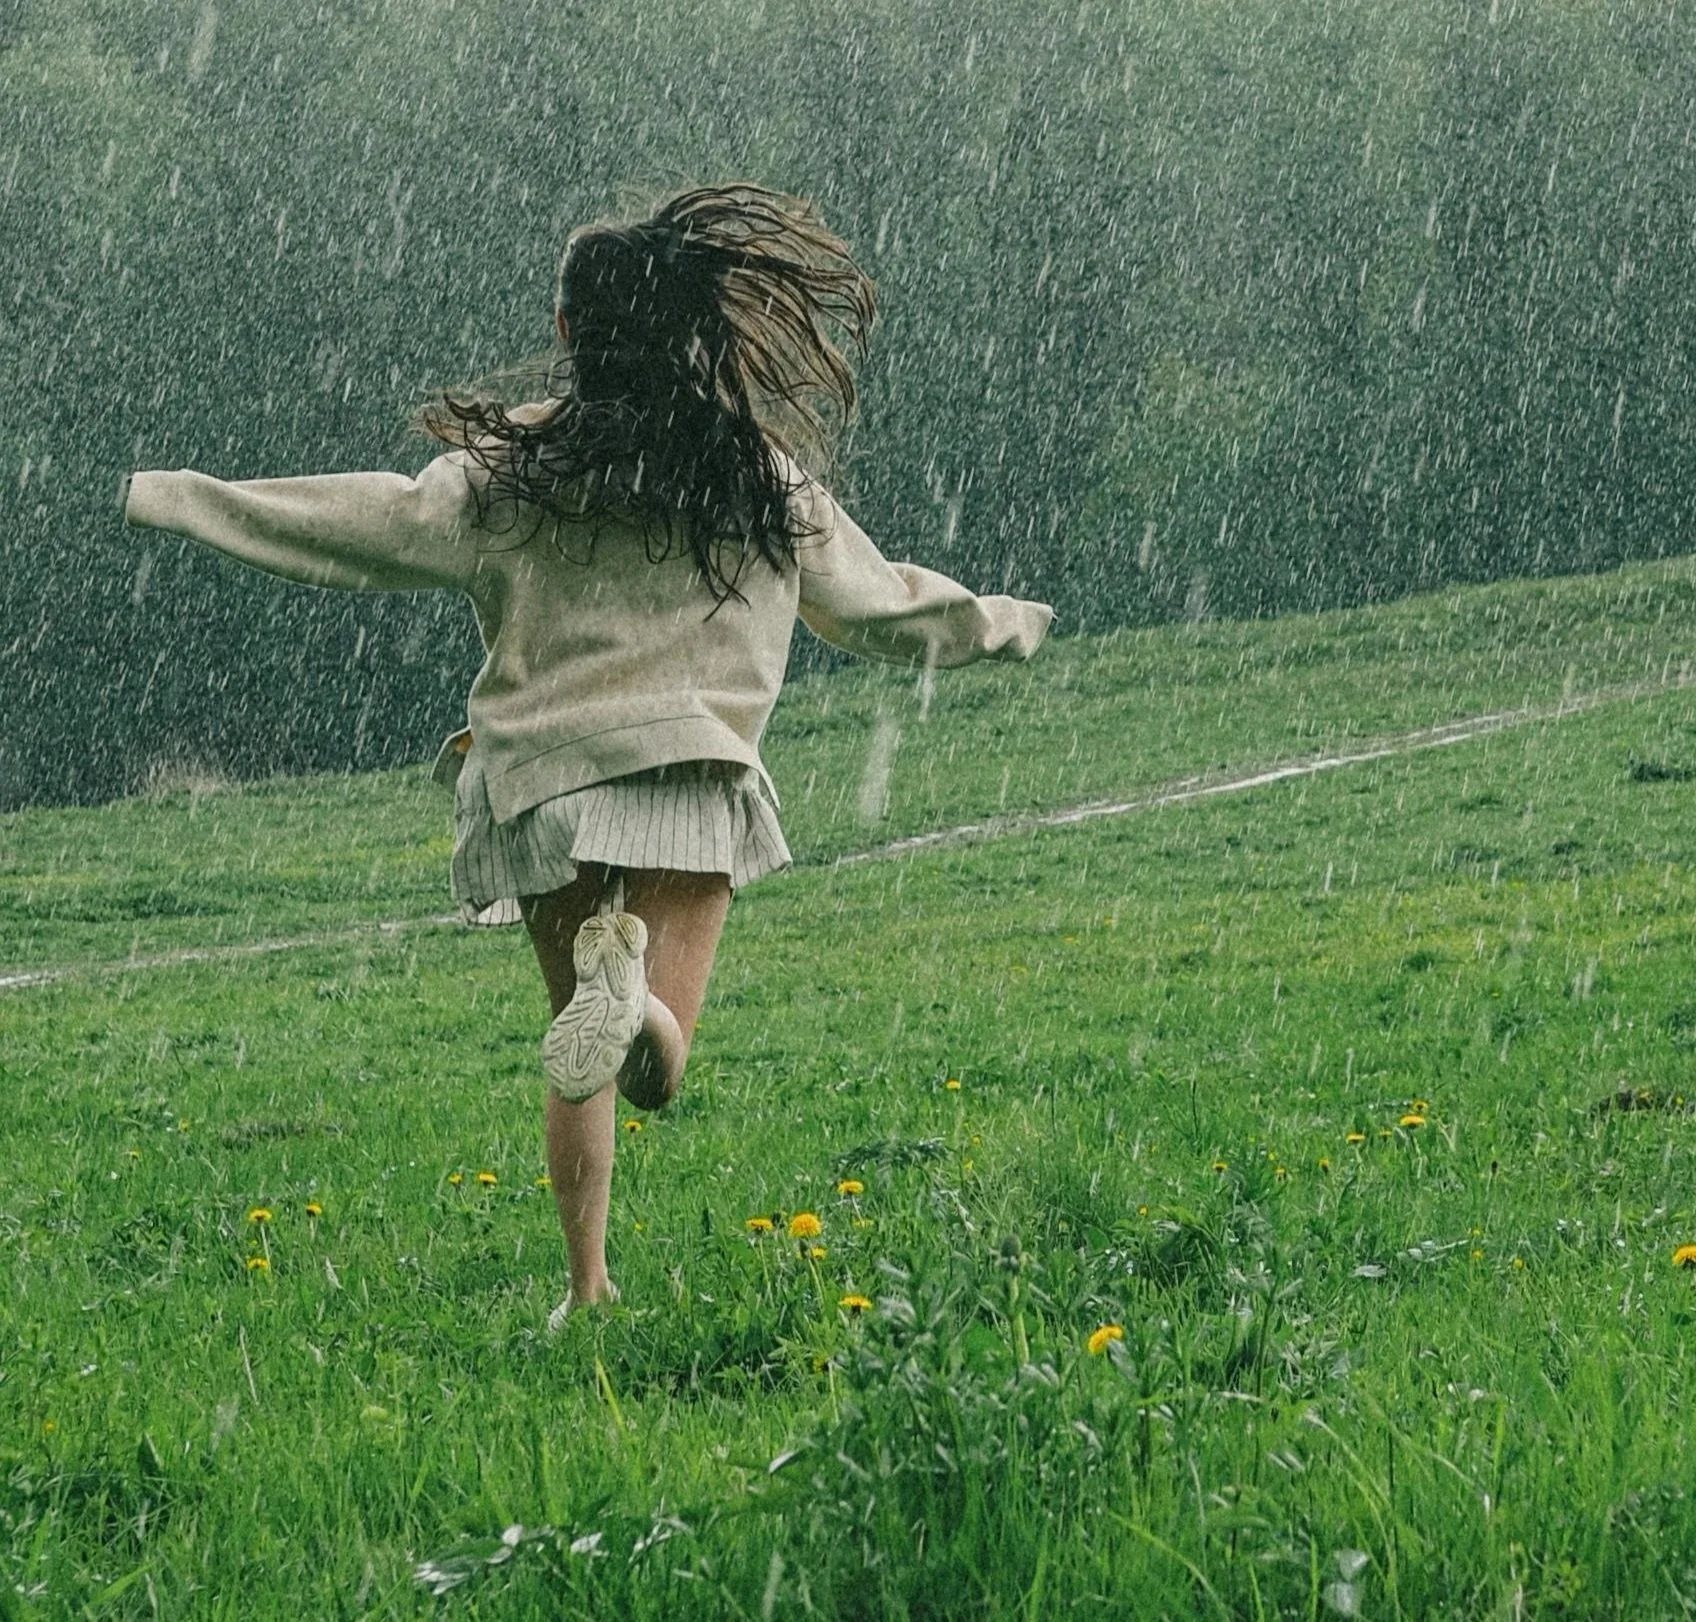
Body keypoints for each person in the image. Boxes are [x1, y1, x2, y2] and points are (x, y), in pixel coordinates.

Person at [120, 181, 1057, 1332]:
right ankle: (644, 1012)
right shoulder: (757, 475)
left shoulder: (508, 471)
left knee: (578, 1047)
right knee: (651, 1063)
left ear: (570, 332)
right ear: (694, 325)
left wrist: (190, 499)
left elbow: (363, 525)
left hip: (547, 782)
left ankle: (587, 1282)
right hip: (692, 776)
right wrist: (1001, 621)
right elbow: (877, 608)